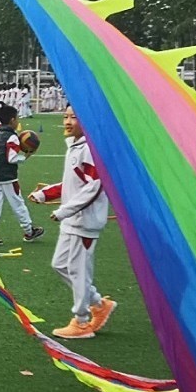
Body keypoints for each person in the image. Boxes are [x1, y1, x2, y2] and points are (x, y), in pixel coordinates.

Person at [48, 106, 115, 340]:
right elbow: (73, 183)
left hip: (84, 222)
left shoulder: (88, 149)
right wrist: (46, 194)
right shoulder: (75, 146)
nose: (67, 122)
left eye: (73, 118)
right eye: (65, 117)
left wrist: (64, 210)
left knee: (78, 271)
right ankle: (98, 303)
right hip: (72, 221)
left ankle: (82, 321)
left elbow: (94, 186)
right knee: (60, 265)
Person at [0, 104, 43, 246]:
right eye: (17, 118)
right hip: (8, 177)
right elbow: (11, 158)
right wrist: (25, 157)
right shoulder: (13, 137)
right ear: (12, 120)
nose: (18, 121)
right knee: (18, 204)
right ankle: (28, 231)